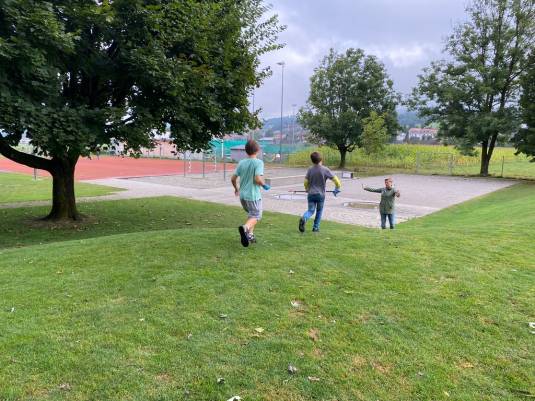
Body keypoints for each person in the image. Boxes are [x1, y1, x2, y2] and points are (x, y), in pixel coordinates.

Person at [231, 140, 270, 247]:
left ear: (246, 150)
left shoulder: (241, 162)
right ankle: (245, 228)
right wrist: (264, 185)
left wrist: (236, 189)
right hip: (253, 196)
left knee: (252, 214)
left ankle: (250, 235)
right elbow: (257, 179)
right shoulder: (259, 163)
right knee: (257, 215)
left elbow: (233, 178)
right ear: (257, 150)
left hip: (242, 196)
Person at [298, 151, 341, 233]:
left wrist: (307, 189)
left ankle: (304, 218)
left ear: (312, 160)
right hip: (320, 195)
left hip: (311, 194)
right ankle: (315, 228)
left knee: (311, 210)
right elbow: (337, 181)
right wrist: (337, 188)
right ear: (321, 159)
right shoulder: (325, 169)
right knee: (319, 211)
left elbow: (305, 182)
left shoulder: (310, 169)